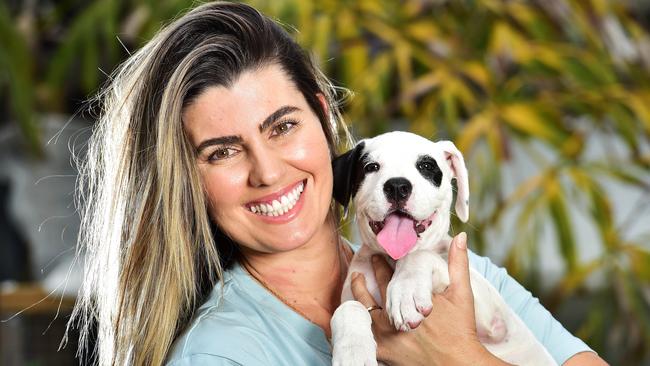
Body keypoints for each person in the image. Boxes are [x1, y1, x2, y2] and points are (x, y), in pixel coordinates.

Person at [69, 2, 608, 365]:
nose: (269, 172)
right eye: (223, 151)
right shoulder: (224, 353)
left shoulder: (455, 273)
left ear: (323, 121)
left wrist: (461, 355)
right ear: (188, 182)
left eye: (283, 126)